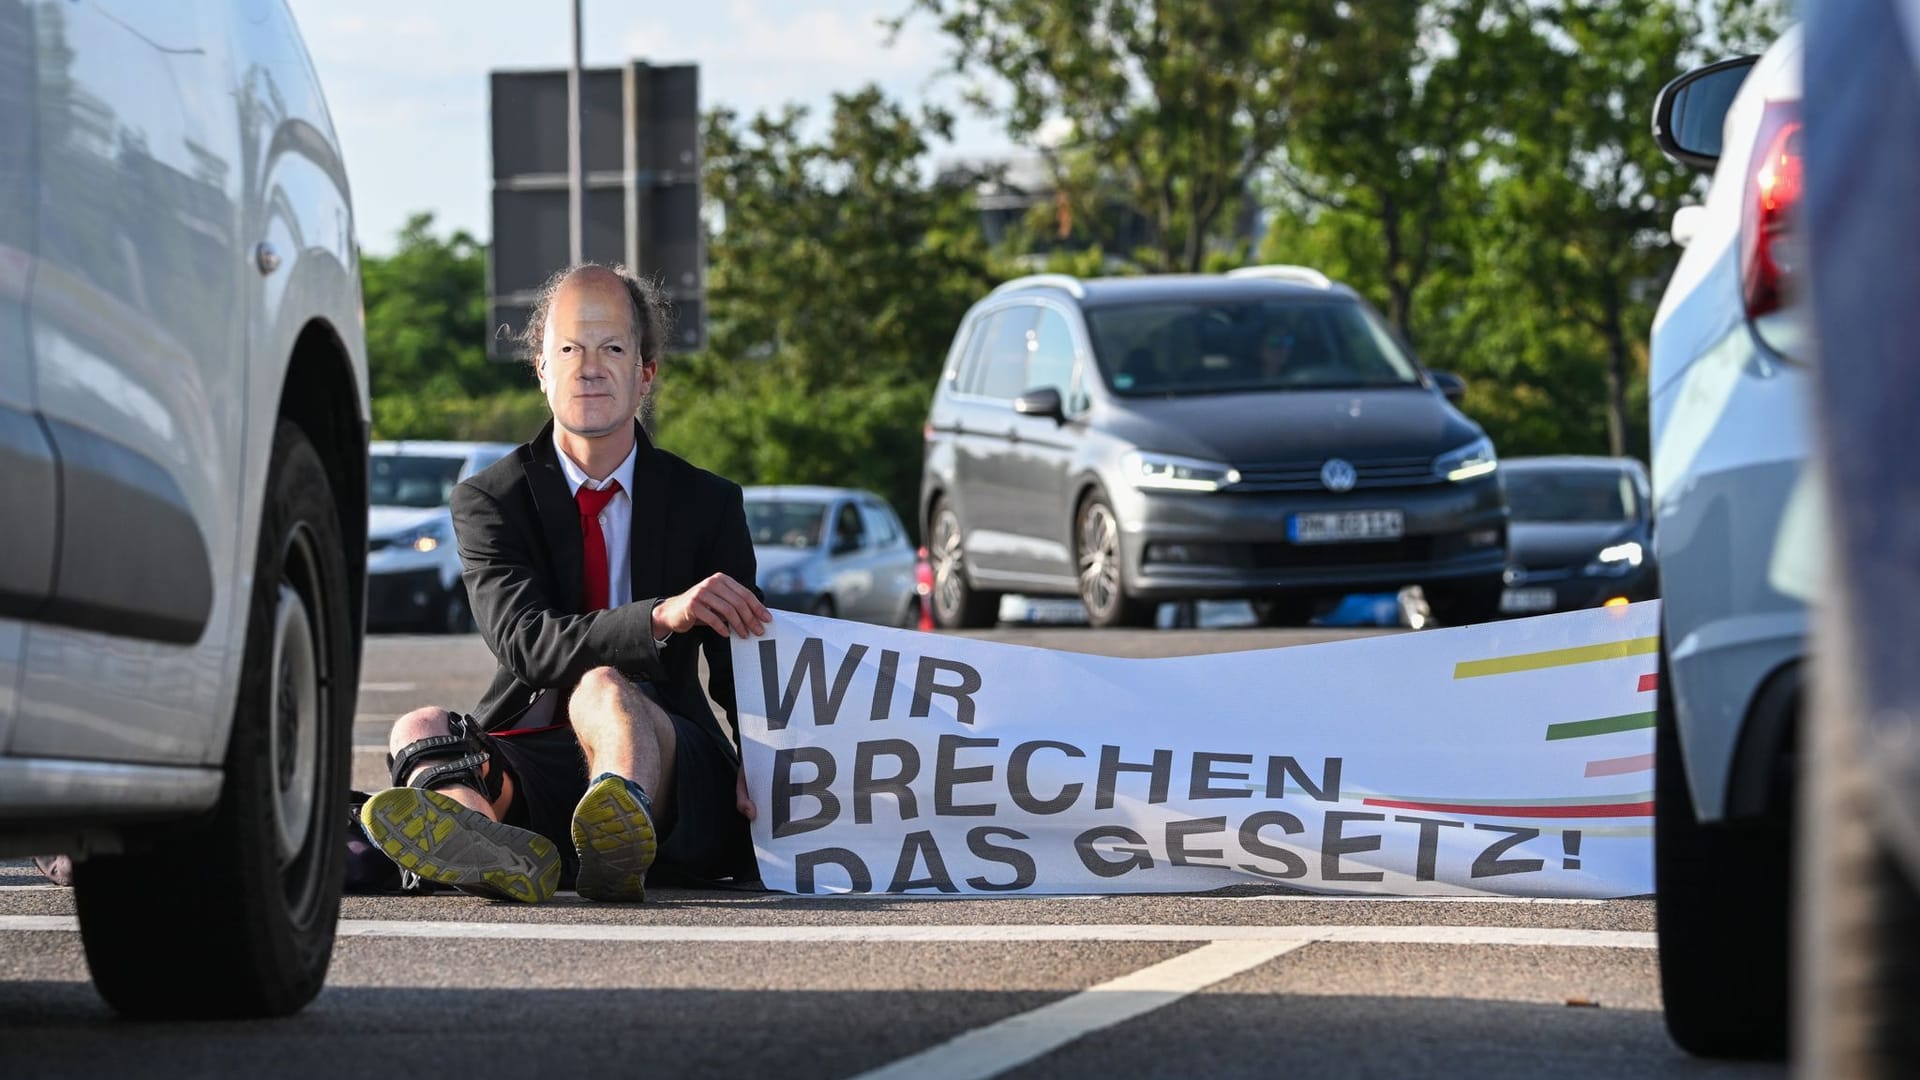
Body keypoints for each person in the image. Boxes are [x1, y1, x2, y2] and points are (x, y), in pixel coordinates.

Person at [357, 262, 773, 904]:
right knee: (420, 727)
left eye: (612, 347)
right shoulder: (489, 500)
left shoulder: (707, 503)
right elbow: (526, 644)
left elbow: (742, 660)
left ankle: (619, 828)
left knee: (606, 689)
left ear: (646, 373)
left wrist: (765, 759)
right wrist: (660, 616)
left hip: (669, 760)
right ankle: (484, 843)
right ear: (542, 370)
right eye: (570, 348)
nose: (590, 366)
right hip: (539, 752)